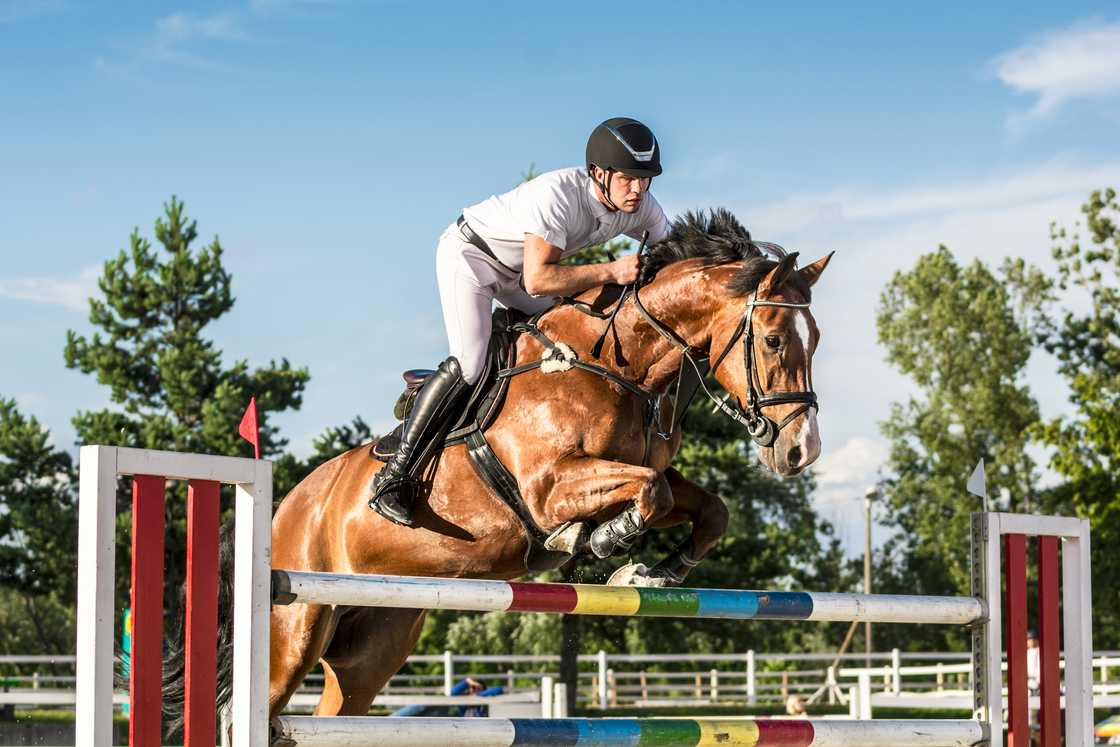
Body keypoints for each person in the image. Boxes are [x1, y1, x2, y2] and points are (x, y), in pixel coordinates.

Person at [369, 117, 673, 527]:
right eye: (628, 179)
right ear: (599, 174)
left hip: (522, 276)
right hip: (473, 259)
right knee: (472, 362)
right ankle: (395, 476)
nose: (638, 190)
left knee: (577, 335)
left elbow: (678, 260)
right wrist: (612, 271)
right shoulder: (558, 196)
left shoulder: (641, 207)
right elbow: (539, 279)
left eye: (646, 179)